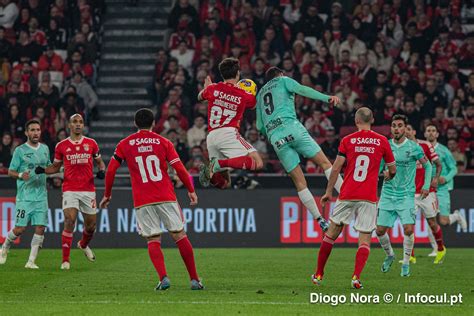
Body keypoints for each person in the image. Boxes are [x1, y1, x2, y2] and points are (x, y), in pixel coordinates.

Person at [99, 108, 203, 291]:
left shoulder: (125, 144)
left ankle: (163, 278)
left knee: (153, 239)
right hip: (166, 195)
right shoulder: (164, 142)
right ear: (154, 123)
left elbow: (110, 171)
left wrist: (107, 194)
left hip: (143, 199)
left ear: (135, 123)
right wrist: (191, 190)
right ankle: (194, 279)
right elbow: (180, 169)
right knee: (179, 235)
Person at [314, 108, 396, 289]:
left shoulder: (347, 140)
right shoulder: (382, 141)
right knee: (364, 239)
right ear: (372, 119)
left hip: (348, 193)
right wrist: (388, 175)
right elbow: (392, 169)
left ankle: (319, 274)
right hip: (368, 196)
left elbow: (335, 168)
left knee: (331, 234)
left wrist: (328, 192)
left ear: (356, 120)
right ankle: (356, 277)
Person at [255, 66, 343, 231]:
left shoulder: (260, 95)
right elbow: (303, 89)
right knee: (325, 164)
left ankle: (320, 220)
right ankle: (347, 197)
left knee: (300, 182)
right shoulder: (284, 80)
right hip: (292, 127)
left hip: (276, 138)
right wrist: (327, 98)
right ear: (279, 75)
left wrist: (271, 129)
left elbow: (259, 125)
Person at [35, 114, 105, 270]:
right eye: (75, 122)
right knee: (69, 220)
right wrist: (43, 170)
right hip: (70, 189)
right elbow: (55, 167)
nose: (78, 124)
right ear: (69, 125)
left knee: (91, 226)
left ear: (83, 125)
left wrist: (101, 171)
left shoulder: (91, 143)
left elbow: (100, 163)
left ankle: (83, 244)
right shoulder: (61, 146)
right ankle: (65, 260)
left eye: (80, 122)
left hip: (88, 190)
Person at [376, 114, 432, 278]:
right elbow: (378, 168)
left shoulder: (414, 147)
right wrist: (382, 172)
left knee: (408, 228)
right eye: (394, 125)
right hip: (387, 194)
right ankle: (390, 255)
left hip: (407, 195)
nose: (397, 129)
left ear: (405, 129)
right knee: (379, 231)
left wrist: (426, 186)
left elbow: (428, 166)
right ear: (391, 128)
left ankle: (406, 263)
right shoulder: (386, 145)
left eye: (400, 126)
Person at [198, 58, 263, 189]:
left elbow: (200, 97)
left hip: (211, 136)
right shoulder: (243, 95)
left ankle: (213, 170)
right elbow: (255, 105)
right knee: (257, 163)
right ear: (238, 73)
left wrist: (208, 88)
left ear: (222, 74)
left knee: (224, 184)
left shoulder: (213, 89)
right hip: (228, 133)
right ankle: (217, 164)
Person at [0, 120, 50, 269]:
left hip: (41, 196)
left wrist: (60, 170)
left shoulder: (45, 148)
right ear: (27, 133)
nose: (36, 133)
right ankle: (5, 247)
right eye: (32, 130)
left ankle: (31, 262)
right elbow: (10, 171)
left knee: (40, 227)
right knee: (20, 229)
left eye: (38, 130)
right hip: (25, 197)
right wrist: (21, 175)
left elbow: (48, 166)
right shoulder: (20, 151)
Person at [405, 124, 446, 263]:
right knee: (409, 225)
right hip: (410, 193)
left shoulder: (425, 145)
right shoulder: (401, 148)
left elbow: (438, 164)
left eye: (409, 129)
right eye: (404, 130)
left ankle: (440, 249)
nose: (407, 132)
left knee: (432, 223)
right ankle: (410, 256)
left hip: (427, 192)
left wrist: (435, 179)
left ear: (414, 131)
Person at [424, 124, 467, 231]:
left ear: (437, 134)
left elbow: (454, 168)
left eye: (433, 130)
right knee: (431, 220)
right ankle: (436, 248)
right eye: (428, 130)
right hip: (427, 189)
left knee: (444, 221)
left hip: (441, 189)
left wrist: (445, 178)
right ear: (425, 134)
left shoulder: (444, 150)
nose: (430, 132)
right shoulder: (420, 149)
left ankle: (456, 216)